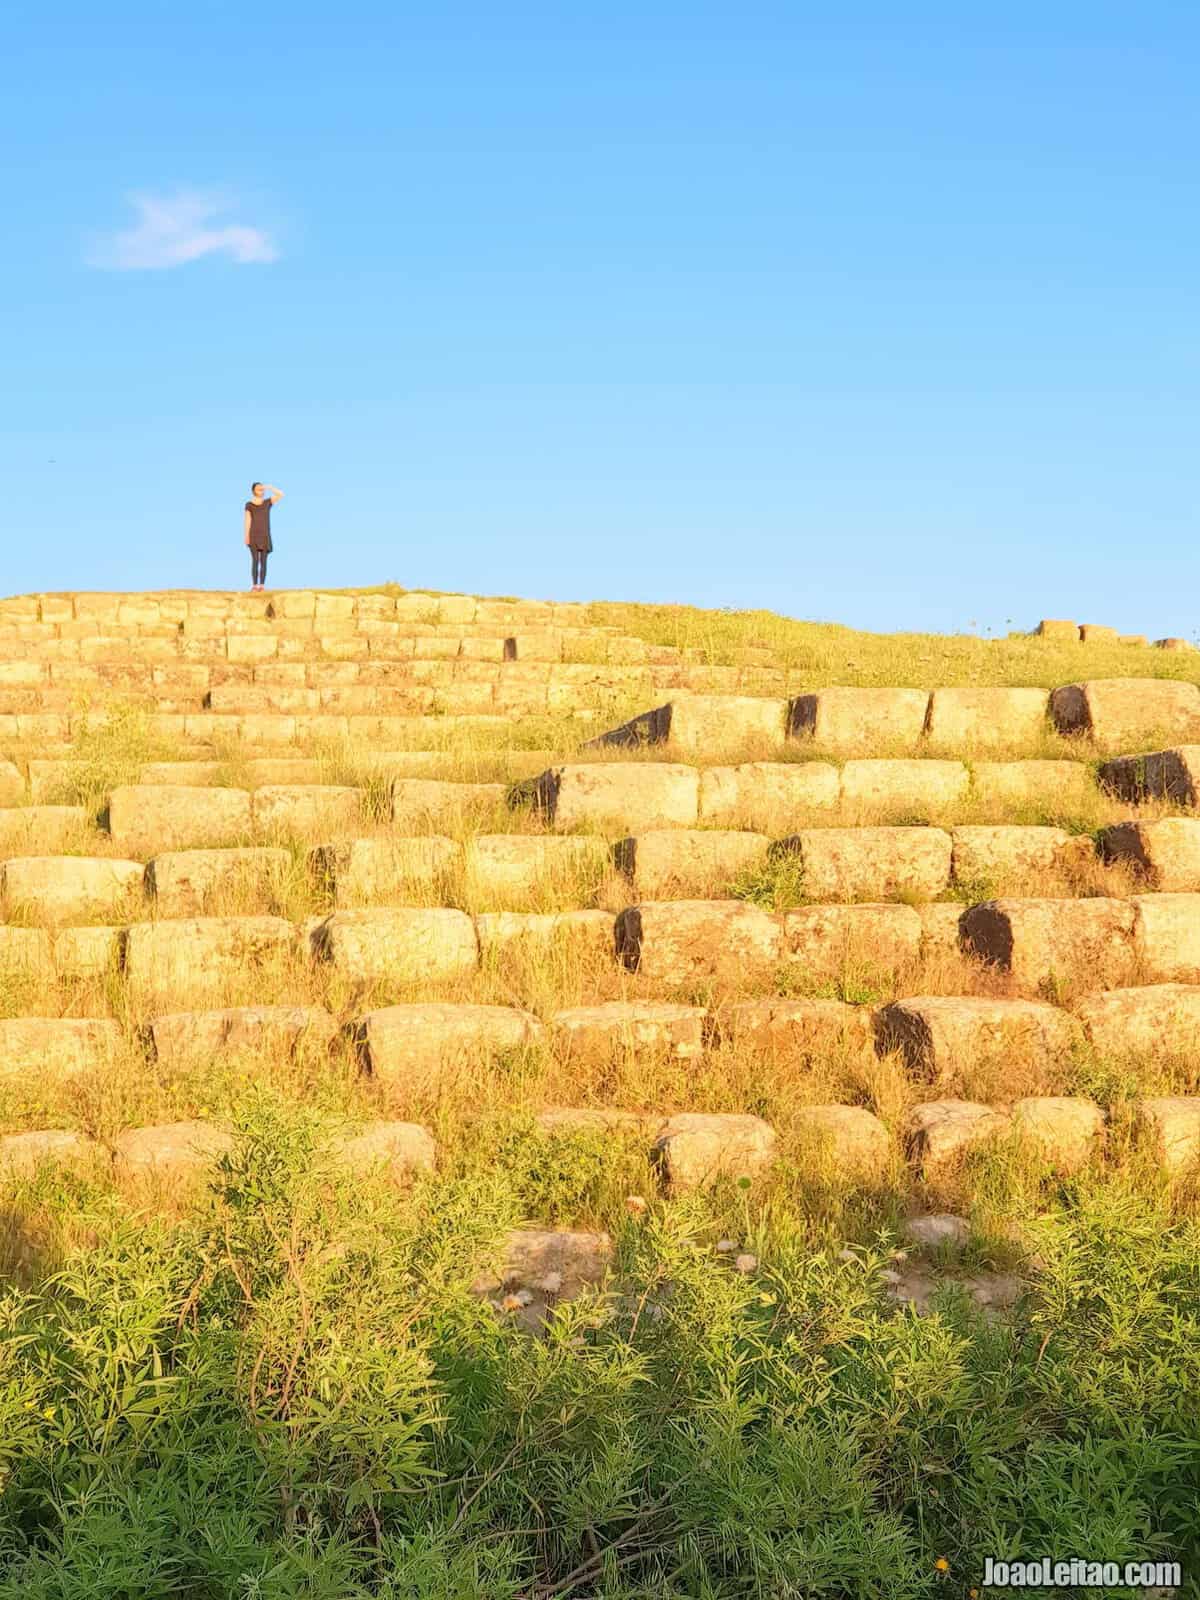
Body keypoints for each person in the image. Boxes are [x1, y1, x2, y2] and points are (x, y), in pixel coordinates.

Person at [243, 481, 284, 590]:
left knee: (264, 561)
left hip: (265, 535)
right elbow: (247, 520)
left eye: (262, 489)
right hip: (253, 535)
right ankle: (255, 585)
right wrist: (246, 535)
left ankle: (262, 585)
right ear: (253, 491)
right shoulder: (249, 505)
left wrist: (270, 487)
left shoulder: (267, 502)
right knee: (255, 560)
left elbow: (280, 494)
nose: (261, 490)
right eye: (258, 489)